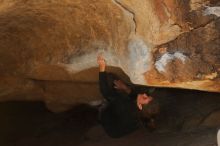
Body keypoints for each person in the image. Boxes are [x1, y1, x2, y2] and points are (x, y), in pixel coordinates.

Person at [97, 54, 157, 138]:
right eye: (147, 96)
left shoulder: (123, 104)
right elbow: (133, 98)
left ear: (139, 106)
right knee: (127, 90)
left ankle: (101, 108)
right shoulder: (142, 113)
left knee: (111, 80)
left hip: (110, 125)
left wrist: (102, 67)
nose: (144, 94)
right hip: (123, 124)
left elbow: (105, 91)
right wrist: (125, 87)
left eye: (145, 97)